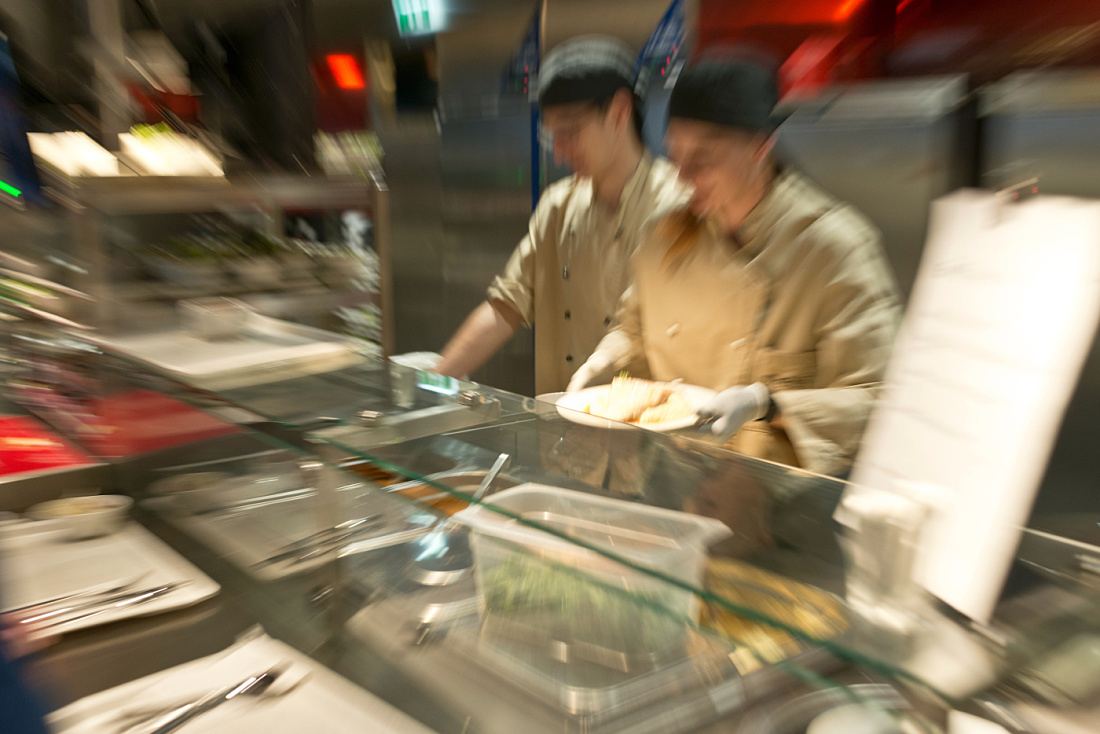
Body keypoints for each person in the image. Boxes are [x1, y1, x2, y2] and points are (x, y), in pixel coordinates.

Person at [569, 59, 902, 477]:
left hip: (778, 507)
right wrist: (605, 361)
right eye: (675, 155)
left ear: (760, 147)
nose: (683, 176)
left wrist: (768, 405)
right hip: (676, 482)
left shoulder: (833, 249)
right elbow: (633, 330)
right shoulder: (664, 236)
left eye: (703, 158)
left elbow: (878, 402)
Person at [435, 36, 688, 395]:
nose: (559, 154)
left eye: (570, 133)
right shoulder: (558, 207)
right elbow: (506, 304)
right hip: (563, 425)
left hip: (647, 433)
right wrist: (433, 383)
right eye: (552, 136)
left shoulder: (678, 207)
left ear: (618, 112)